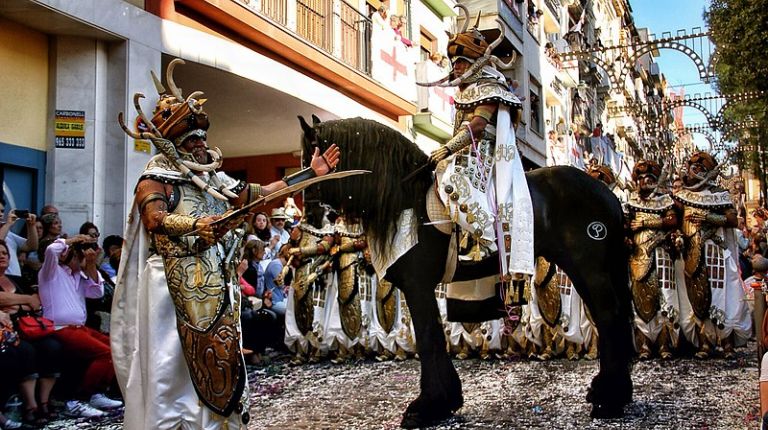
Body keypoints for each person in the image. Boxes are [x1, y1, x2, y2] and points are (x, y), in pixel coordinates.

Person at [110, 59, 340, 430]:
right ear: (178, 145)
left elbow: (259, 194)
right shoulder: (155, 177)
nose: (203, 145)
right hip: (169, 285)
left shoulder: (213, 178)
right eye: (194, 140)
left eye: (202, 139)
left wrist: (310, 174)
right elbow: (155, 220)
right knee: (171, 365)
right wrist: (196, 225)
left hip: (213, 283)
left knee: (215, 359)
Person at [425, 16, 532, 277]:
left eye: (461, 62)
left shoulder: (490, 87)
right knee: (442, 172)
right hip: (467, 149)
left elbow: (477, 127)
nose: (457, 67)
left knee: (453, 179)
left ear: (475, 62)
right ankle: (464, 235)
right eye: (455, 63)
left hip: (487, 150)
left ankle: (485, 238)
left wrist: (448, 148)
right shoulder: (468, 90)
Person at [673, 151, 751, 359]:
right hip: (692, 253)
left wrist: (708, 216)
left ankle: (726, 342)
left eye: (700, 169)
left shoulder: (719, 194)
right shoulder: (682, 196)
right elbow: (674, 221)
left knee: (722, 296)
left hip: (717, 252)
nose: (695, 172)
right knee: (698, 297)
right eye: (693, 168)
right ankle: (705, 342)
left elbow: (732, 220)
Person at [37, 234, 122, 417]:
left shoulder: (78, 275)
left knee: (116, 348)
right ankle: (80, 398)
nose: (80, 258)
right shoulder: (50, 272)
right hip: (59, 327)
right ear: (65, 255)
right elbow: (52, 250)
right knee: (104, 353)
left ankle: (96, 393)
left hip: (78, 328)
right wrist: (73, 240)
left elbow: (96, 292)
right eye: (77, 255)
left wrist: (91, 263)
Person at [0, 240, 63, 426]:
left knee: (52, 346)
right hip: (10, 331)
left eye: (4, 253)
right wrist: (23, 301)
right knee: (25, 351)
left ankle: (44, 401)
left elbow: (35, 300)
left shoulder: (17, 279)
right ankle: (30, 406)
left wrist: (16, 302)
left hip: (30, 327)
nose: (2, 256)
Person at [625, 160, 682, 360]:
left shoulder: (664, 200)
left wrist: (646, 222)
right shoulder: (631, 201)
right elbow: (625, 225)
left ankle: (664, 344)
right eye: (639, 178)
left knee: (664, 299)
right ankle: (644, 344)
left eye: (647, 178)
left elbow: (672, 221)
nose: (643, 182)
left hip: (662, 256)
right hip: (638, 257)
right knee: (640, 300)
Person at [0, 201, 39, 278]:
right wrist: (8, 224)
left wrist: (31, 225)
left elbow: (31, 246)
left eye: (2, 211)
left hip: (15, 279)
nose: (0, 214)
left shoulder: (8, 233)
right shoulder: (6, 228)